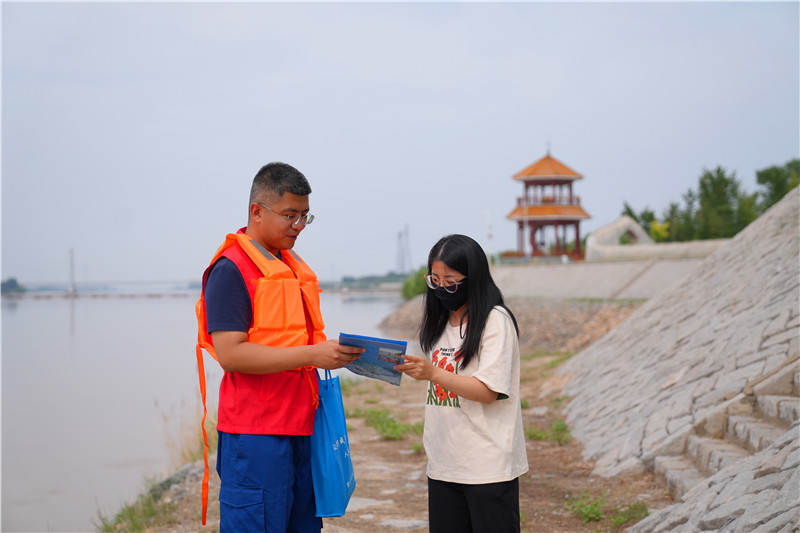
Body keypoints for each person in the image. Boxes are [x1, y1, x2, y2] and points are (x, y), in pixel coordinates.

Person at [195, 162, 363, 533]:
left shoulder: (289, 265)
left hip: (303, 425)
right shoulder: (231, 269)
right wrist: (313, 355)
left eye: (305, 216)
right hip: (256, 435)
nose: (299, 225)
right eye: (290, 215)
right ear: (257, 211)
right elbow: (231, 354)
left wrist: (338, 354)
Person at [395, 234, 528, 533]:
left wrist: (433, 373)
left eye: (451, 282)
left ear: (473, 279)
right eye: (435, 281)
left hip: (487, 466)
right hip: (444, 463)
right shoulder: (441, 323)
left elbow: (488, 391)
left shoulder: (495, 321)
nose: (442, 289)